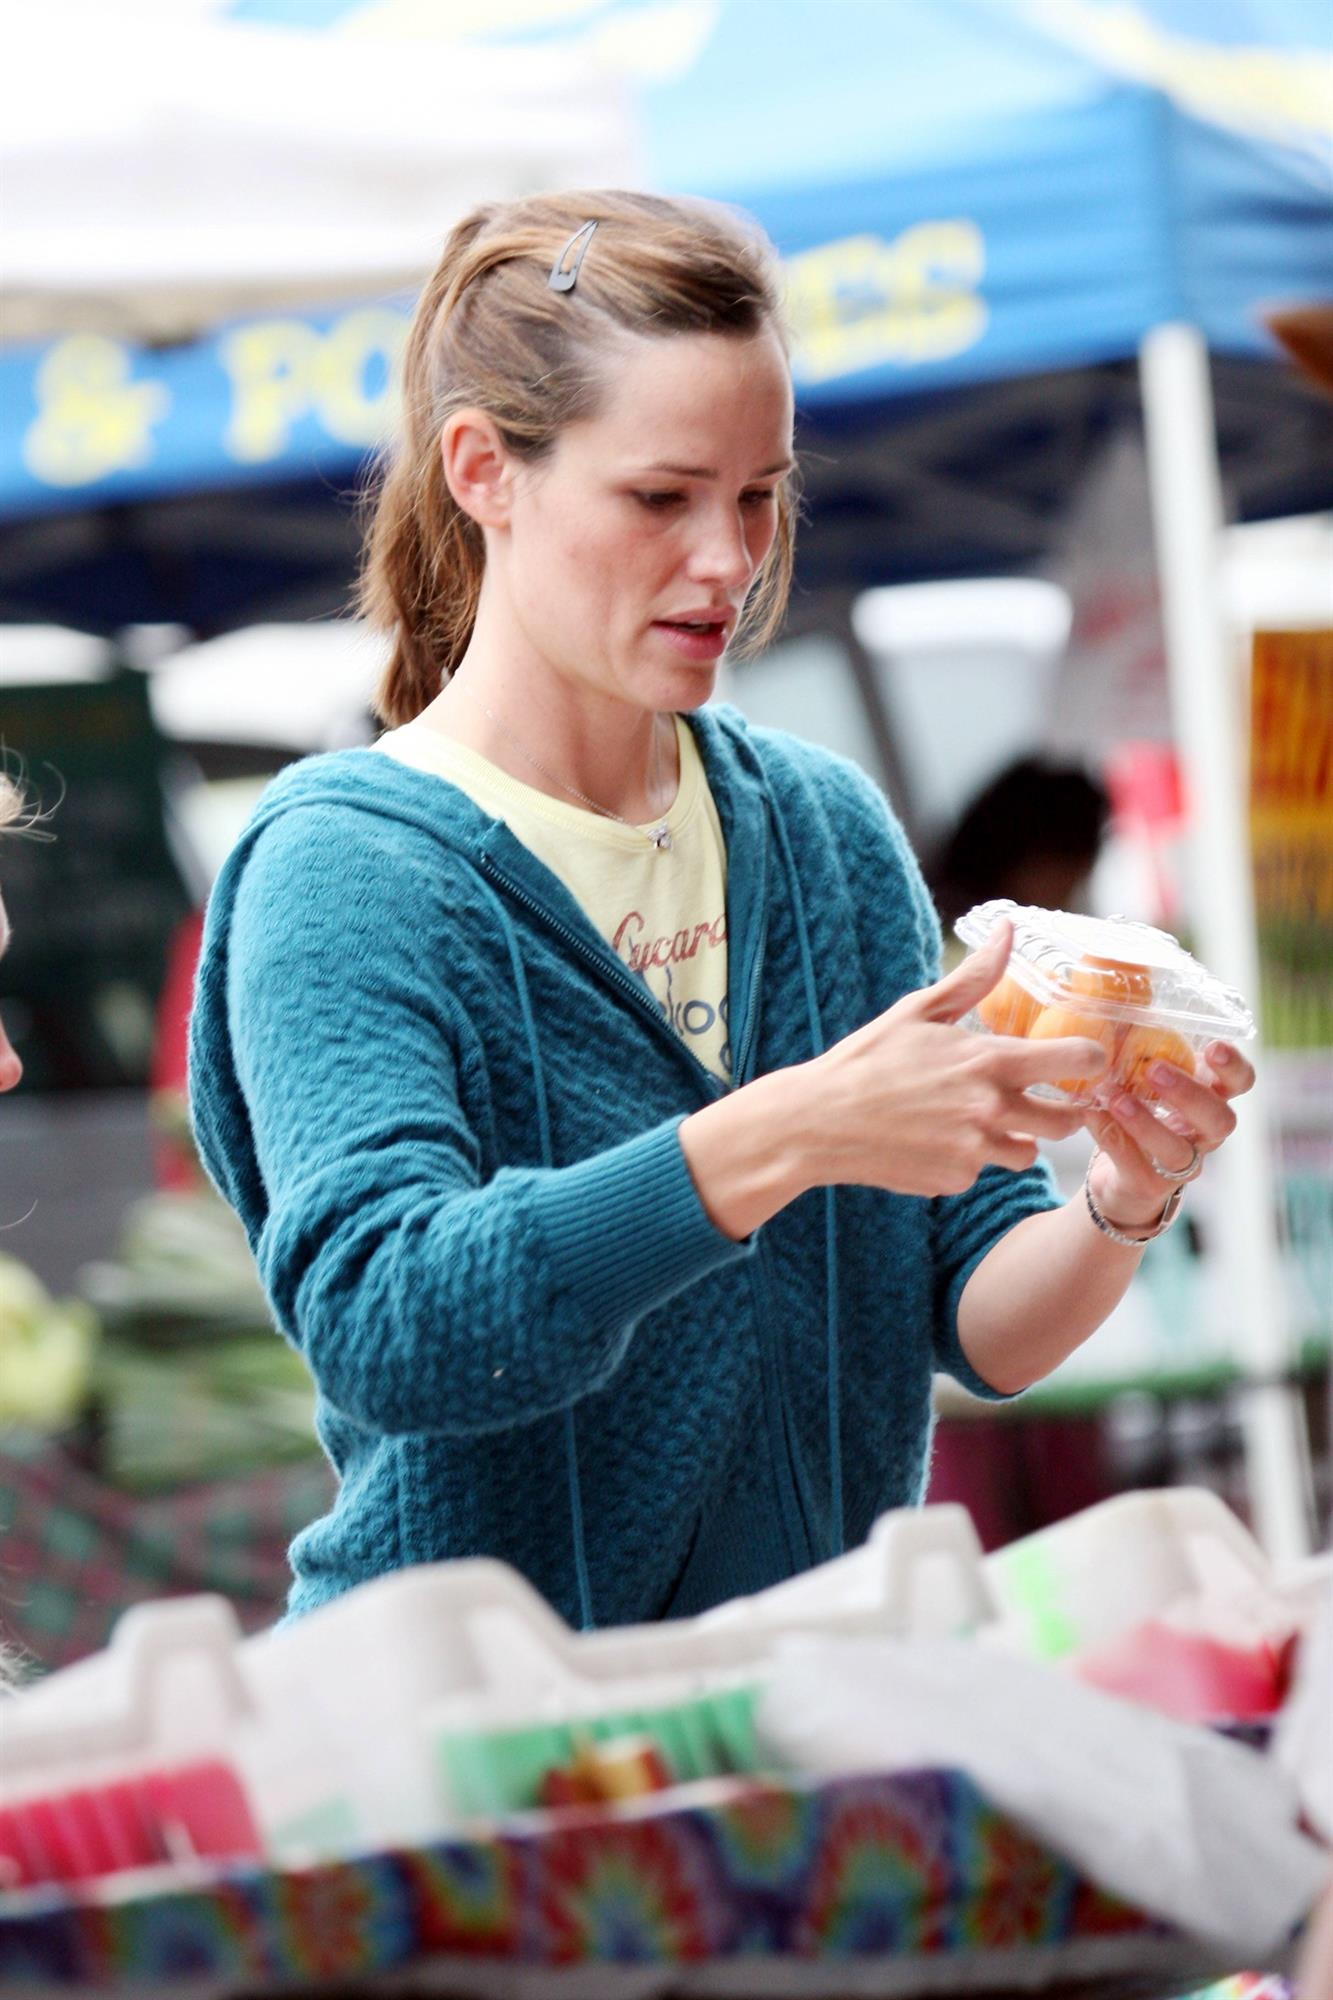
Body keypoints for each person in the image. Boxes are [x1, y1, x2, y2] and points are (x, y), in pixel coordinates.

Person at [188, 190, 1253, 1632]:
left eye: (759, 494)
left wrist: (1126, 1196)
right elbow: (391, 1324)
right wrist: (789, 1130)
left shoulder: (822, 835)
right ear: (484, 470)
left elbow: (981, 1316)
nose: (729, 560)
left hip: (812, 1706)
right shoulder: (348, 871)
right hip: (479, 1727)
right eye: (661, 497)